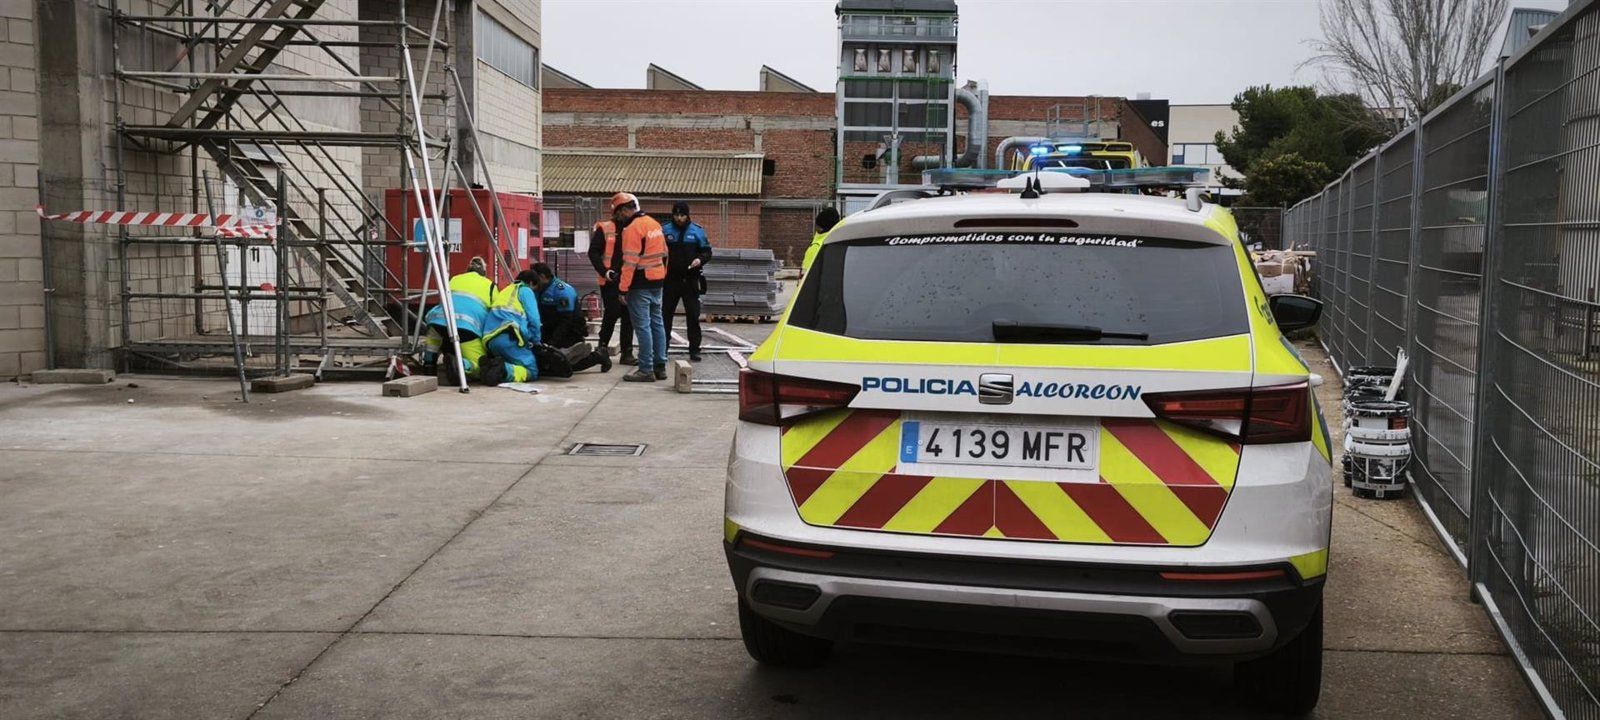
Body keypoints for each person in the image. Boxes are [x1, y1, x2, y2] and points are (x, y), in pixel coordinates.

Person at [607, 192, 668, 383]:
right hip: (657, 281)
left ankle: (646, 369)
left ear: (625, 210)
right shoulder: (654, 224)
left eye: (618, 214)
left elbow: (629, 263)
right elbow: (665, 253)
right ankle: (660, 366)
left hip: (640, 284)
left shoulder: (632, 229)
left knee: (642, 327)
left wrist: (623, 289)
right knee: (657, 324)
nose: (618, 219)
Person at [422, 256, 495, 384]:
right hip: (467, 329)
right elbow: (494, 313)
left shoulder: (454, 279)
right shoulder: (490, 286)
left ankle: (429, 364)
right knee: (481, 366)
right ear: (484, 273)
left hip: (439, 321)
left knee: (433, 340)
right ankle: (461, 364)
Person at [528, 262, 611, 374]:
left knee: (562, 365)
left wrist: (552, 343)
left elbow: (566, 321)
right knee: (543, 364)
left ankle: (598, 356)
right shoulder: (538, 289)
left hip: (569, 331)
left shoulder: (561, 291)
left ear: (542, 277)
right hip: (549, 329)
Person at [660, 201, 713, 361]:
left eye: (682, 215)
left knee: (693, 315)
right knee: (665, 315)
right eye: (676, 215)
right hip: (670, 280)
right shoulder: (665, 230)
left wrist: (699, 260)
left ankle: (695, 349)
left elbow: (707, 252)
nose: (679, 218)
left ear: (687, 215)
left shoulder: (697, 231)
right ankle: (663, 348)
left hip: (690, 279)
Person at [476, 269, 543, 386]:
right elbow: (535, 320)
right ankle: (504, 370)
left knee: (513, 361)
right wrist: (536, 341)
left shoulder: (505, 291)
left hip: (490, 341)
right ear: (531, 283)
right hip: (509, 338)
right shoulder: (525, 290)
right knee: (532, 370)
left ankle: (491, 365)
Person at [586, 216, 634, 365]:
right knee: (612, 313)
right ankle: (603, 348)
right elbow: (593, 252)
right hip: (610, 280)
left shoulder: (633, 227)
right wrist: (604, 271)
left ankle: (627, 353)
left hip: (628, 278)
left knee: (628, 315)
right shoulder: (605, 228)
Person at [801, 206, 840, 275]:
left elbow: (806, 275)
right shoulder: (841, 241)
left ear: (821, 228)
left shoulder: (817, 246)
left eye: (817, 225)